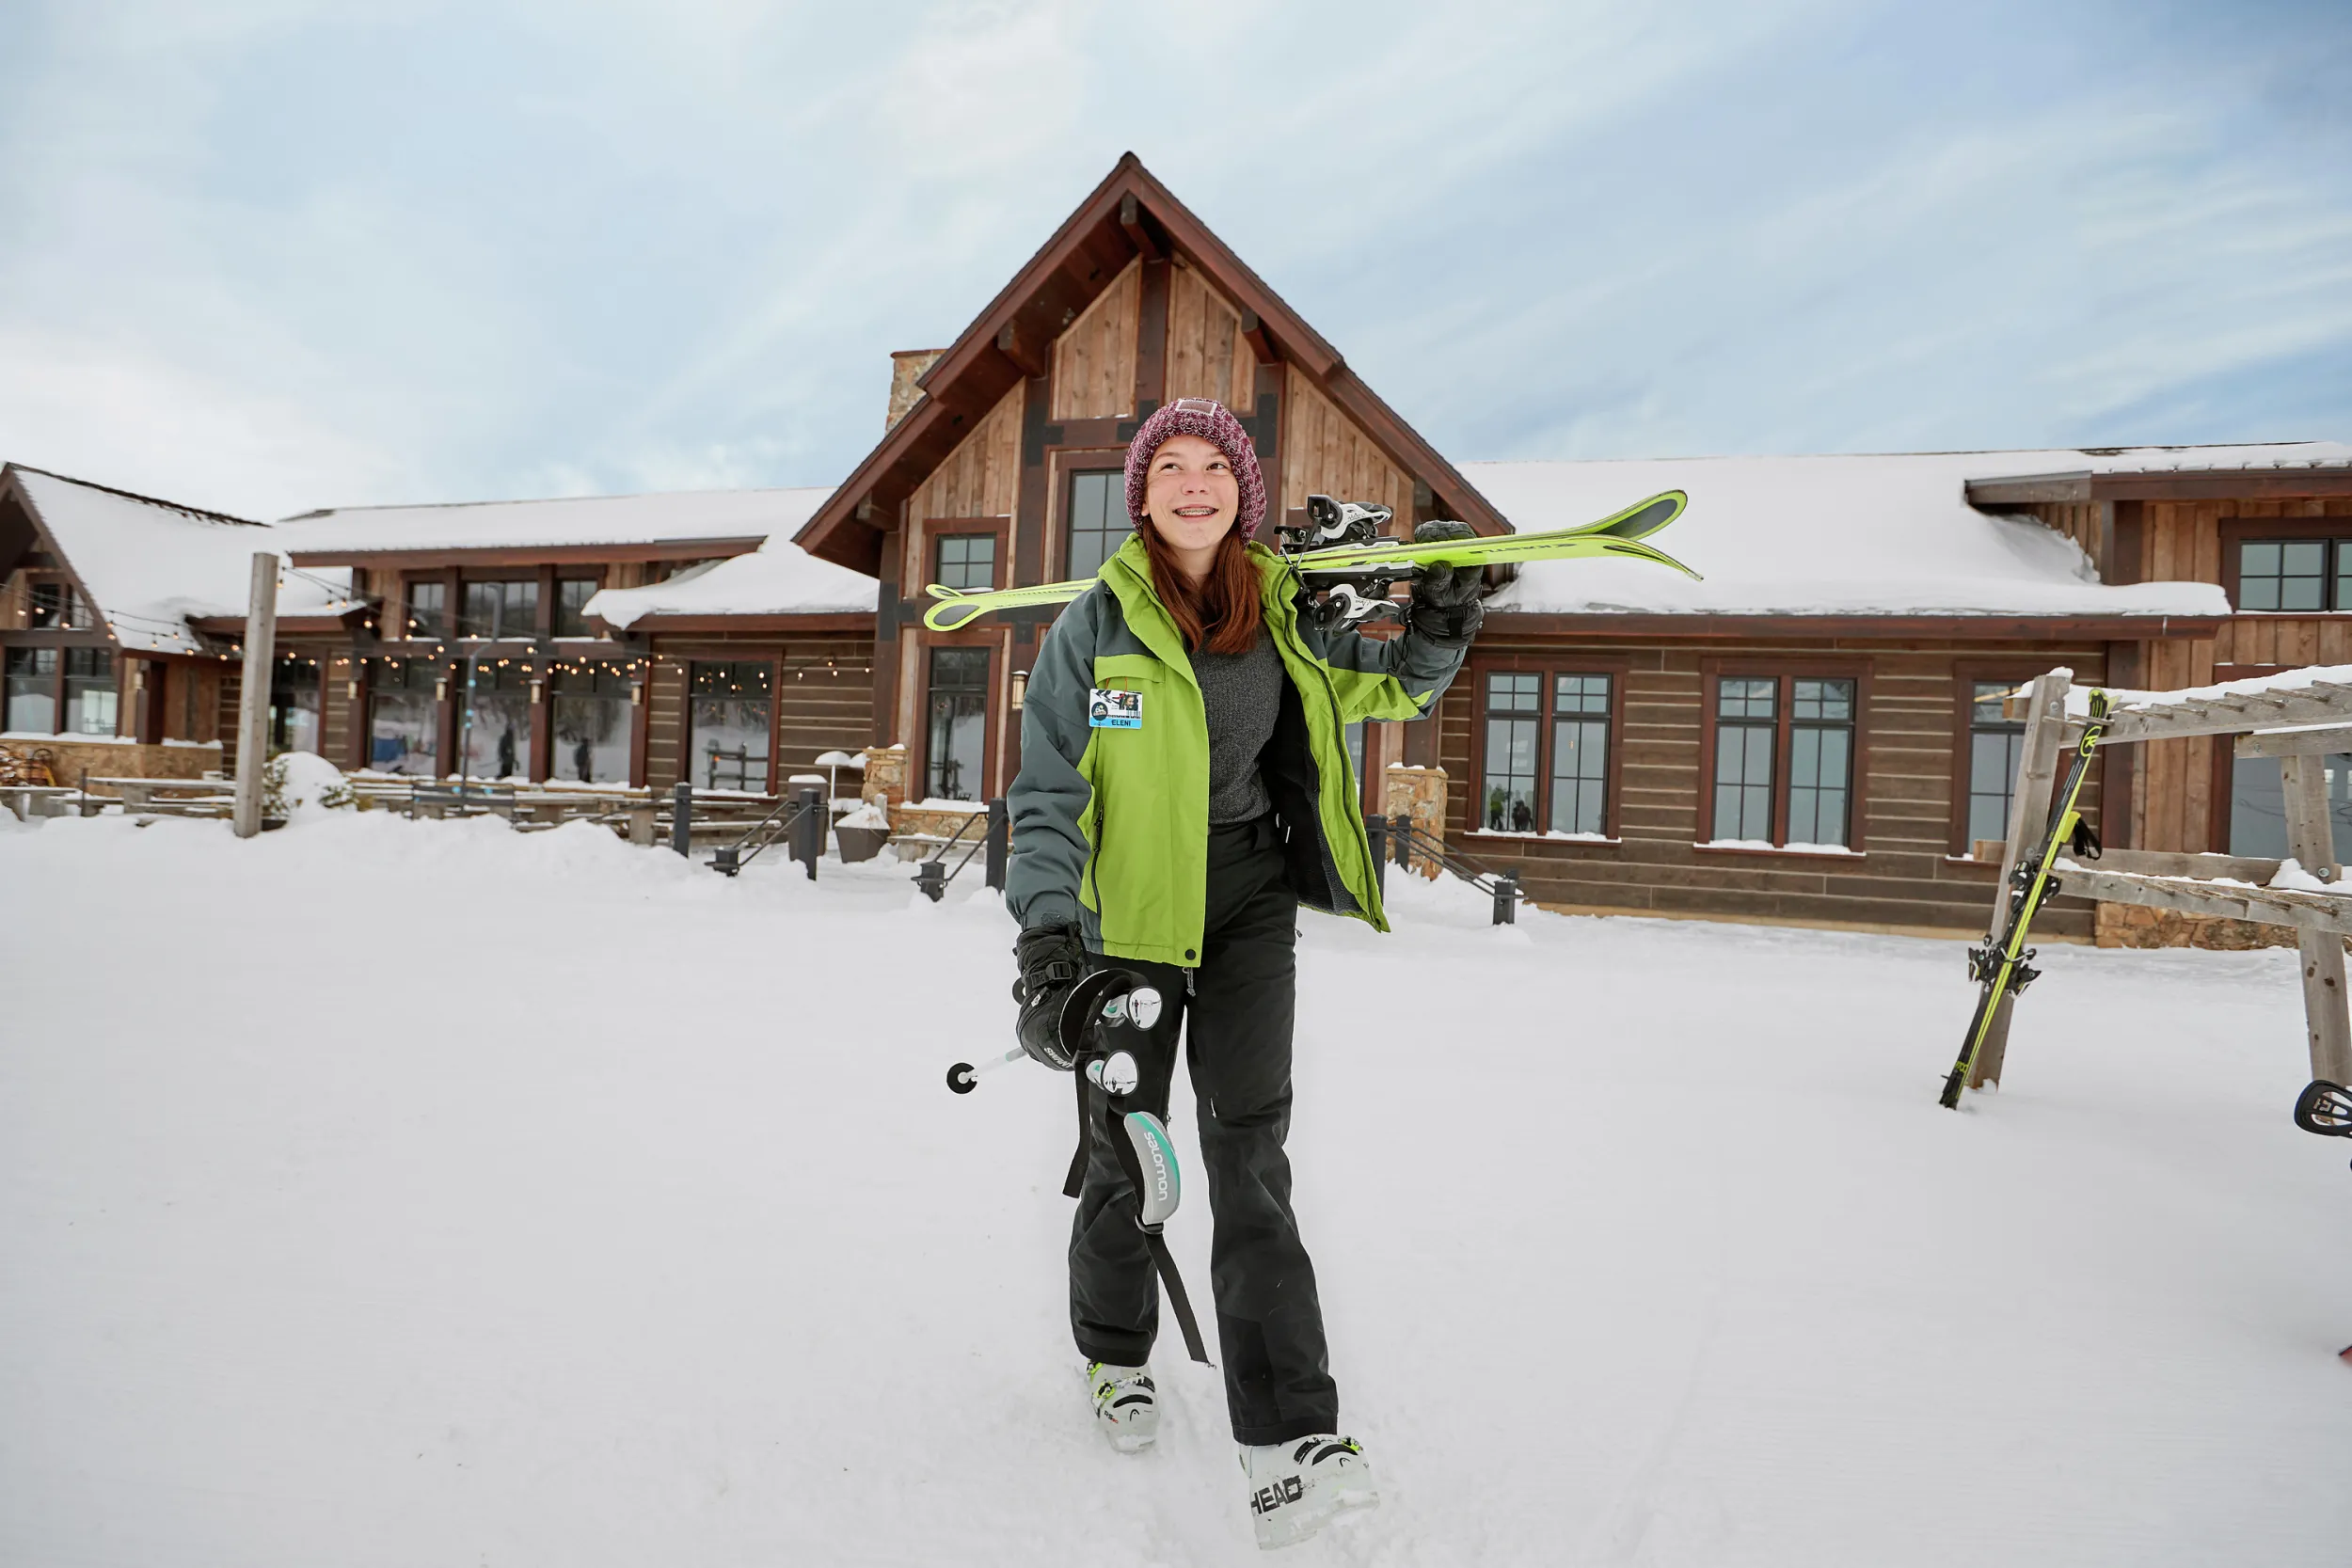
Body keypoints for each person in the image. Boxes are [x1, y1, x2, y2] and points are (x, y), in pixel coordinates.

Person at [1004, 397, 1483, 1549]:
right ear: (1143, 493)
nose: (1191, 483)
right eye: (1168, 465)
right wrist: (1046, 933)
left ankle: (1295, 1428)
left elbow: (1388, 689)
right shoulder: (1095, 627)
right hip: (1126, 916)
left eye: (1211, 464)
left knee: (1247, 1151)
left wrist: (1440, 629)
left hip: (1249, 899)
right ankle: (1116, 1356)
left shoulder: (1281, 612)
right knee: (1132, 1150)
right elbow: (1048, 789)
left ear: (1242, 492)